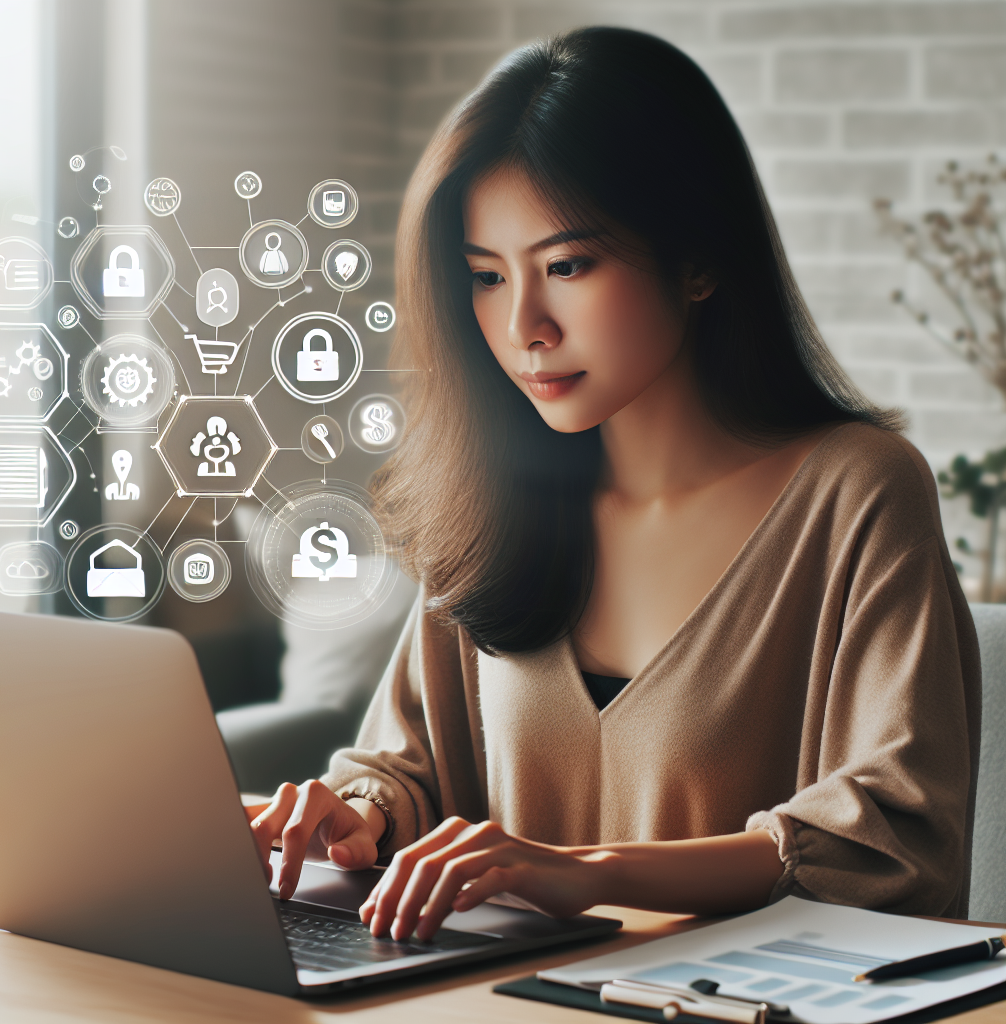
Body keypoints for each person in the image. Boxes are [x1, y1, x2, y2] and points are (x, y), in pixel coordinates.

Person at [246, 27, 980, 943]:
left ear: (700, 259)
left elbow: (894, 832)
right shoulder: (496, 494)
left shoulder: (856, 491)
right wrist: (358, 814)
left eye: (567, 266)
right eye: (484, 277)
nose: (523, 326)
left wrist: (585, 874)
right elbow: (409, 765)